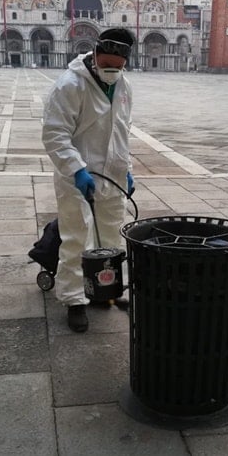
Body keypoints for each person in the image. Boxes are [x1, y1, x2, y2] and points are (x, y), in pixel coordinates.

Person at [41, 28, 135, 333]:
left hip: (112, 176)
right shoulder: (70, 85)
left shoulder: (123, 86)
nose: (111, 71)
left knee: (111, 237)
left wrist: (126, 168)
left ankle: (104, 290)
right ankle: (75, 300)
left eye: (117, 66)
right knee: (78, 237)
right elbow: (54, 133)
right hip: (78, 178)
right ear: (94, 55)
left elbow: (123, 131)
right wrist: (76, 169)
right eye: (106, 64)